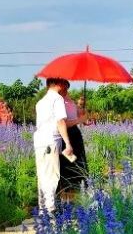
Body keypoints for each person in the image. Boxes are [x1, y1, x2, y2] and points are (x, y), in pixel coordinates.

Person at [33, 77, 74, 214]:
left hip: (40, 142)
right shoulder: (57, 99)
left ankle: (43, 208)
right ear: (59, 84)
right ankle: (50, 209)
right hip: (51, 141)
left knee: (42, 175)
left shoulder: (40, 102)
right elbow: (60, 122)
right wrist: (68, 143)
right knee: (51, 175)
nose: (66, 90)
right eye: (65, 86)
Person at [56, 79, 92, 196]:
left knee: (78, 159)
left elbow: (77, 114)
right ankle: (66, 187)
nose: (65, 90)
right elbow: (63, 123)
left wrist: (82, 114)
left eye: (67, 87)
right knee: (67, 162)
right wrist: (79, 120)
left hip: (75, 134)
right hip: (65, 135)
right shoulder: (57, 102)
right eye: (63, 87)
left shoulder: (69, 100)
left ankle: (79, 185)